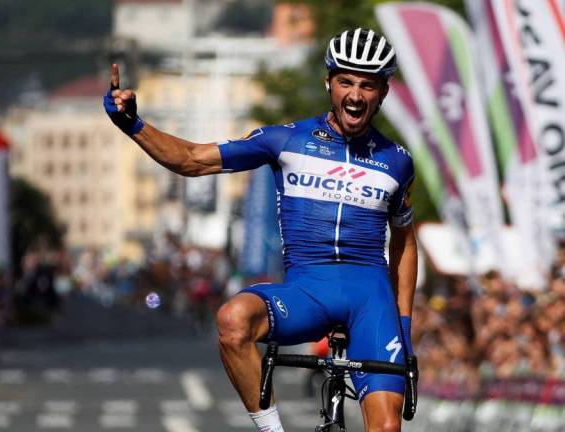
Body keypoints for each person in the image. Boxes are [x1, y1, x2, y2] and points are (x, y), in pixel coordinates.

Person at [104, 27, 417, 432]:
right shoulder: (286, 139)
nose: (355, 95)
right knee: (233, 320)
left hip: (370, 301)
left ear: (383, 92)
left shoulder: (398, 161)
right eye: (346, 81)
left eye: (367, 85)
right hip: (307, 292)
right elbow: (192, 160)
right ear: (329, 82)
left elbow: (406, 246)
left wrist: (404, 328)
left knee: (387, 427)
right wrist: (132, 124)